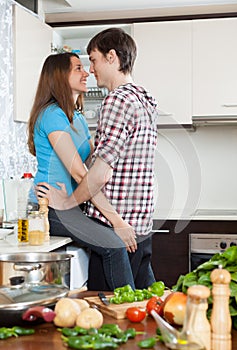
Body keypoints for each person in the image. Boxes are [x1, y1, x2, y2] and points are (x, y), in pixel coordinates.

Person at [36, 28, 158, 289]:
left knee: (116, 309)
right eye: (80, 66)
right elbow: (90, 169)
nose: (89, 71)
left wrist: (71, 200)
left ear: (111, 57)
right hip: (128, 220)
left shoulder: (110, 103)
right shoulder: (145, 99)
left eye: (91, 60)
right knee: (139, 302)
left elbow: (96, 170)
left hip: (113, 218)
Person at [27, 52, 136, 291]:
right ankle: (128, 312)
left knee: (108, 248)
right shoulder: (51, 115)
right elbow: (80, 173)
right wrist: (116, 220)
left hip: (72, 204)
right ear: (59, 76)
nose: (86, 72)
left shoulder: (77, 116)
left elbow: (96, 163)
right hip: (50, 208)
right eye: (78, 68)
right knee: (115, 245)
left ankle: (105, 314)